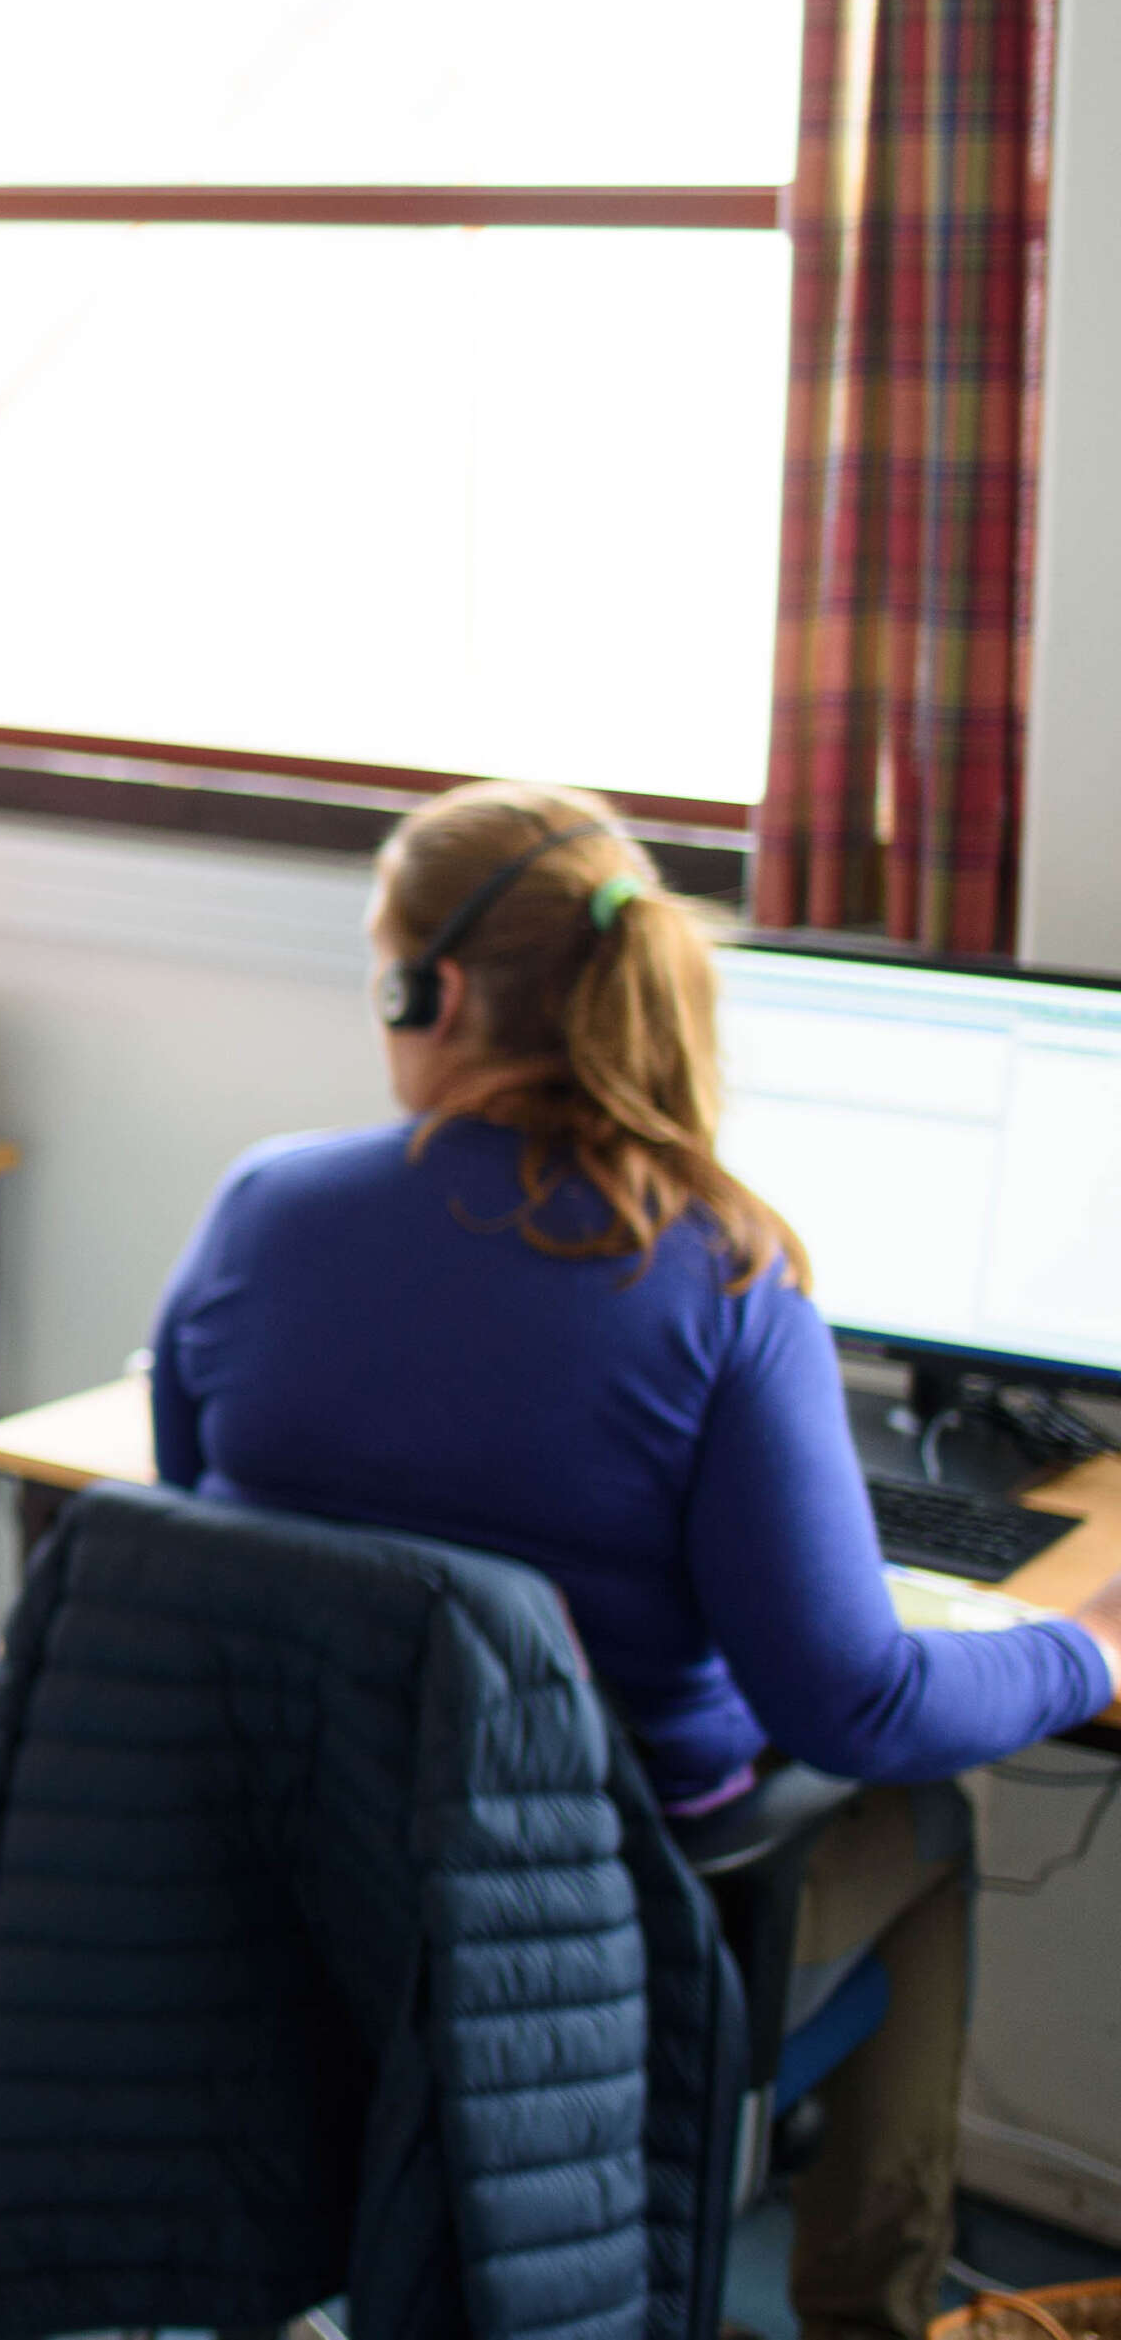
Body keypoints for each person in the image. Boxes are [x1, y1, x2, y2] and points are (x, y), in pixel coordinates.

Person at [148, 778, 1121, 2340]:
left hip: (306, 1901)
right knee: (925, 1818)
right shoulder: (722, 1279)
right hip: (587, 1935)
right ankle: (869, 2319)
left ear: (427, 994)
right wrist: (1088, 1648)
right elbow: (857, 1706)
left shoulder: (261, 1208)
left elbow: (186, 1535)